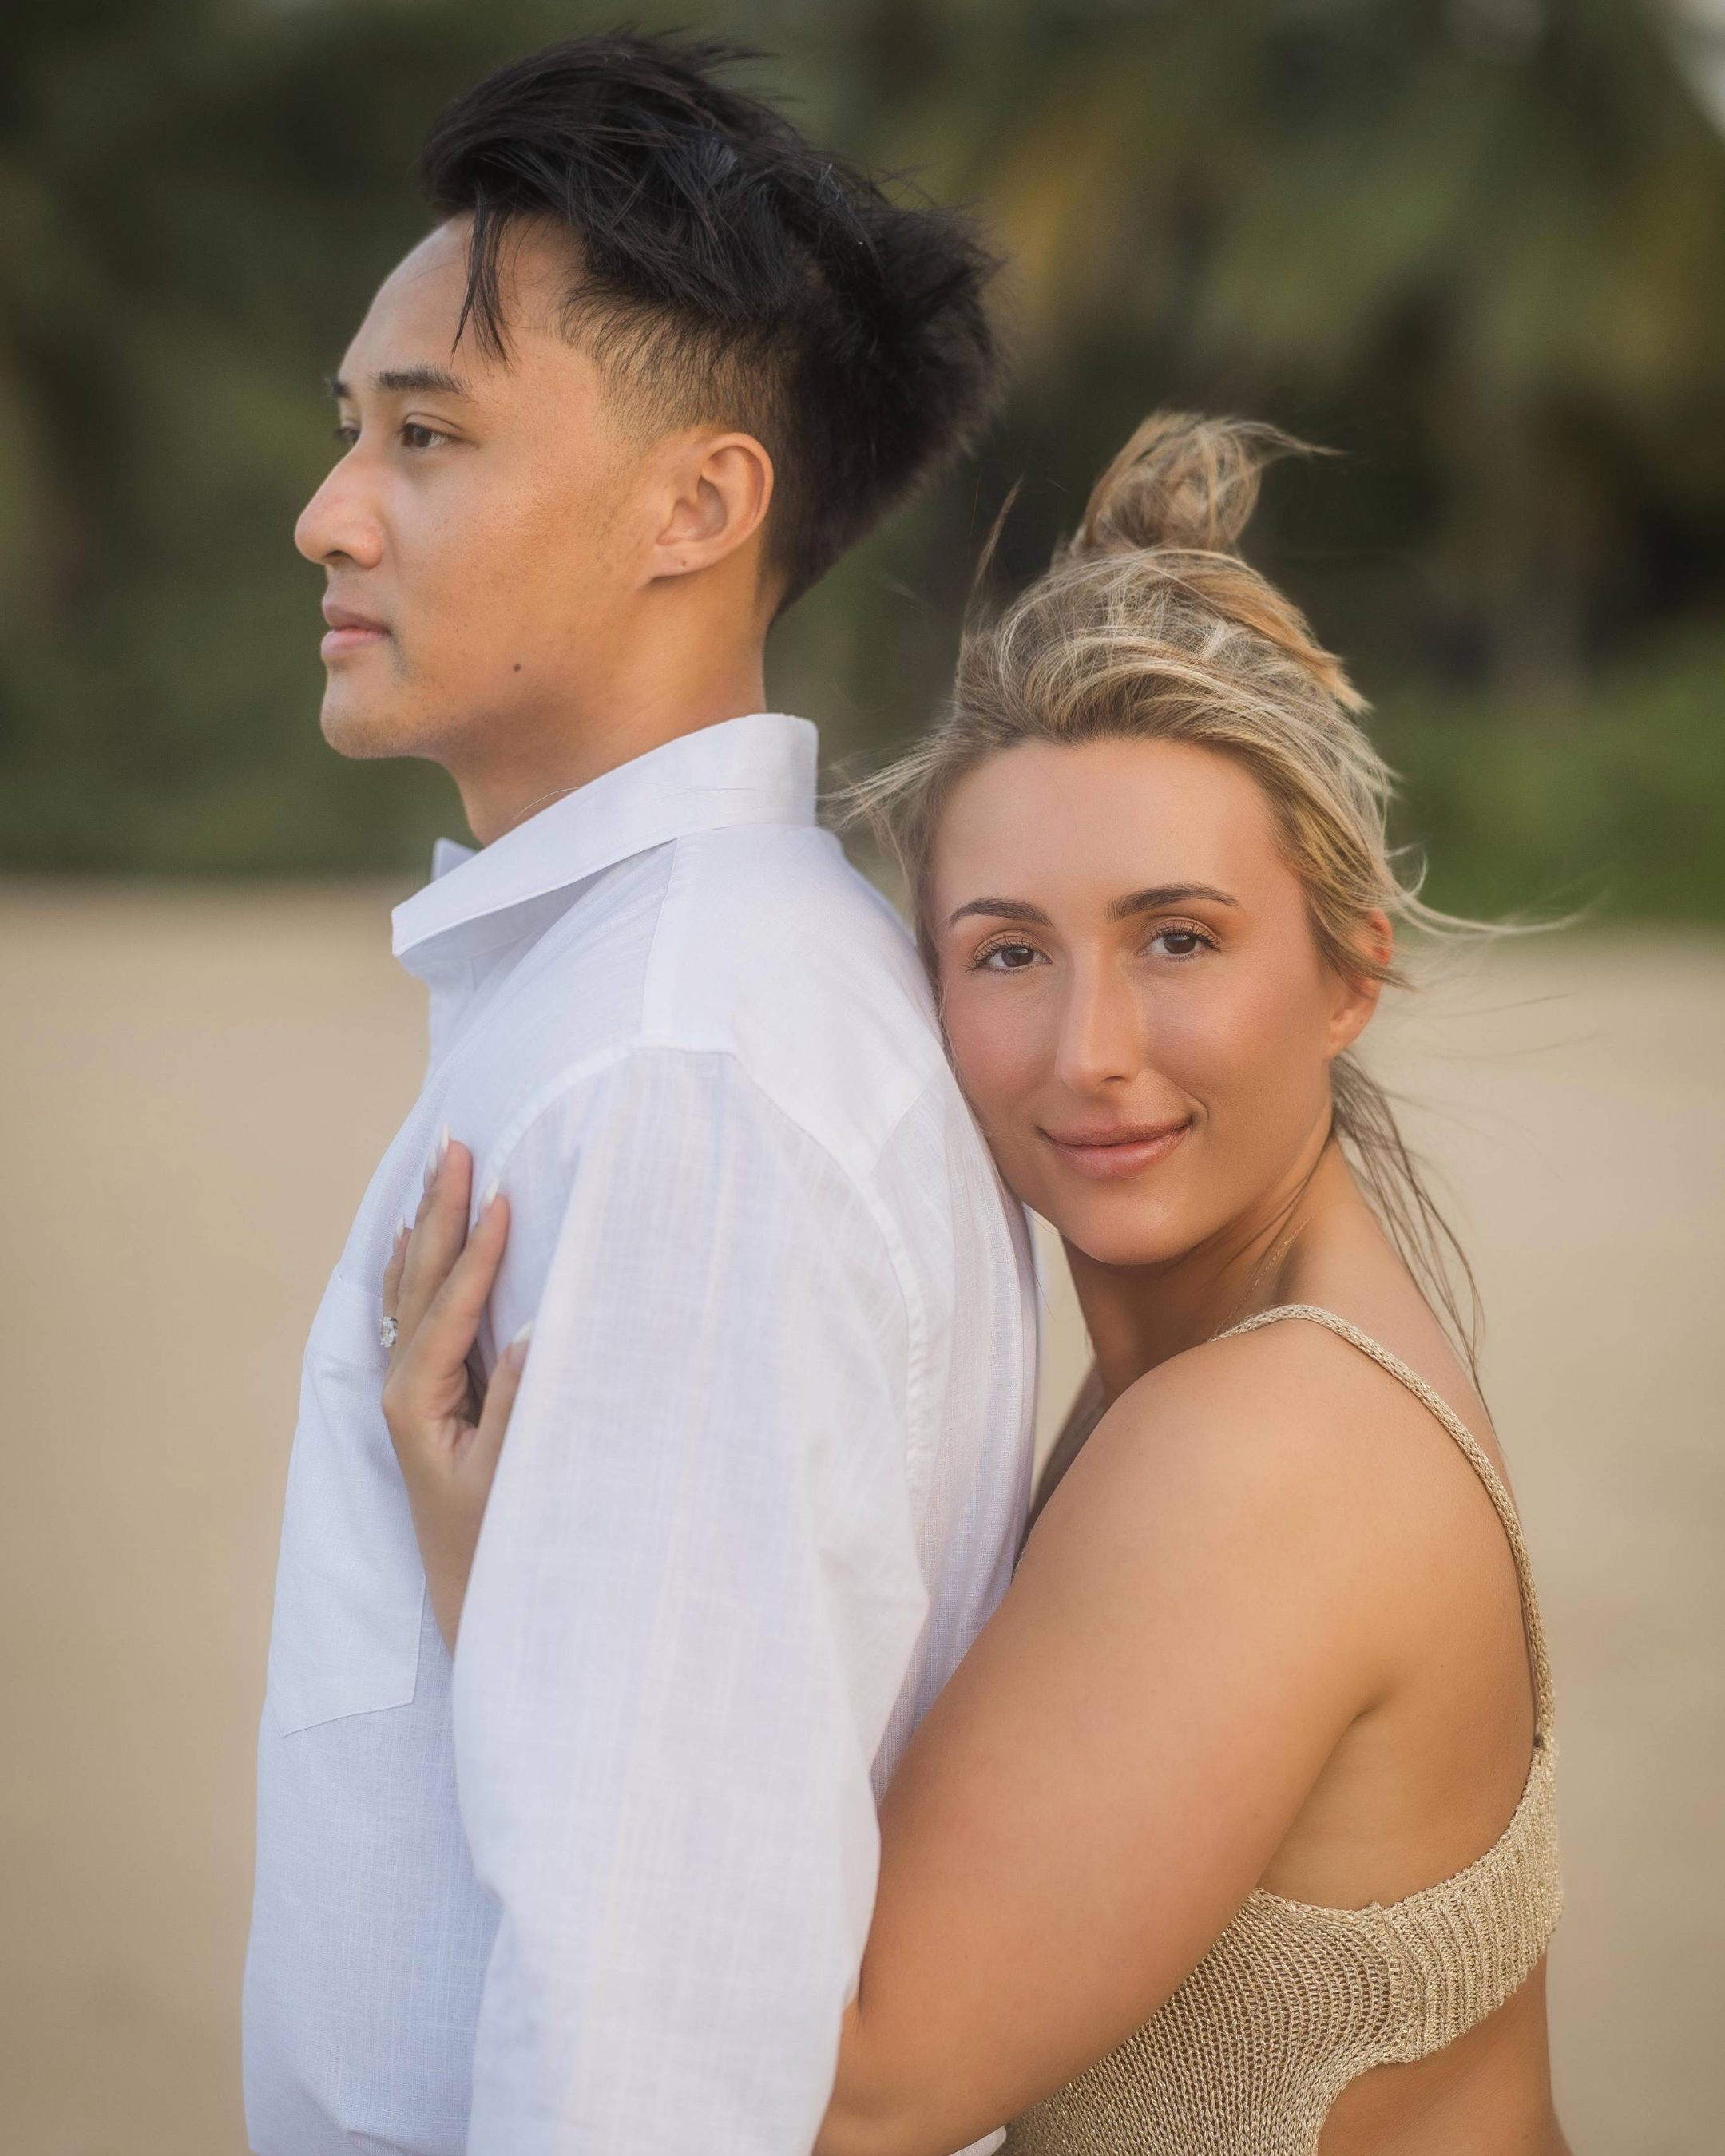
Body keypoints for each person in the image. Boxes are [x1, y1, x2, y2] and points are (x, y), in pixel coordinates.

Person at [382, 415, 1570, 2154]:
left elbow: (846, 2088)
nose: (1092, 1054)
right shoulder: (1216, 1375)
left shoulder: (1266, 1451)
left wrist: (514, 1586)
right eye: (1009, 952)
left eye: (1179, 938)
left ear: (1347, 974)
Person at [243, 32, 1039, 2156]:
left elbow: (660, 2010)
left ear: (701, 503)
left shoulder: (682, 1067)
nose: (328, 509)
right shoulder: (664, 993)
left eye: (426, 434)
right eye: (350, 428)